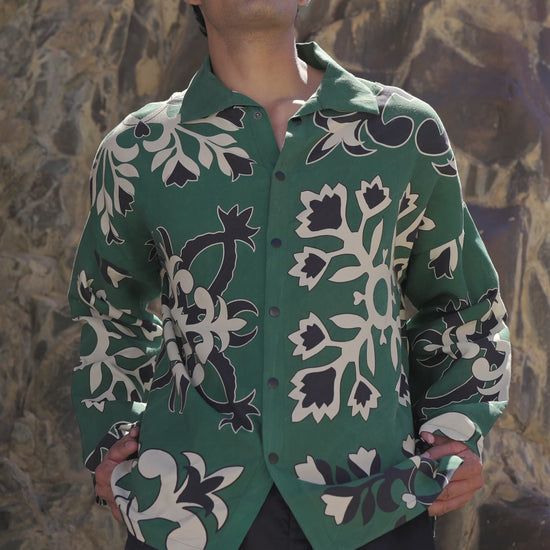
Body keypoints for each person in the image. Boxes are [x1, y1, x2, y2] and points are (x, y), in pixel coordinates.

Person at [68, 1, 512, 549]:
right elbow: (108, 312)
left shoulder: (400, 132)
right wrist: (111, 445)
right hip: (187, 513)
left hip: (376, 505)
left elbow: (464, 306)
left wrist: (456, 430)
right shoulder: (138, 150)